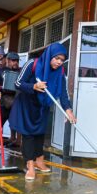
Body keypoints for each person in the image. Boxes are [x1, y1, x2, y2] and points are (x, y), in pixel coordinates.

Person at [9, 43, 76, 181]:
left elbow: (63, 93)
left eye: (62, 60)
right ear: (50, 55)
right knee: (28, 135)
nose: (59, 62)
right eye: (57, 58)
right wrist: (34, 86)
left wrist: (68, 110)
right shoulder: (32, 64)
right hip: (26, 105)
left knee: (40, 133)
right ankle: (30, 166)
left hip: (42, 105)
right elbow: (17, 83)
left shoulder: (60, 71)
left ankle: (39, 161)